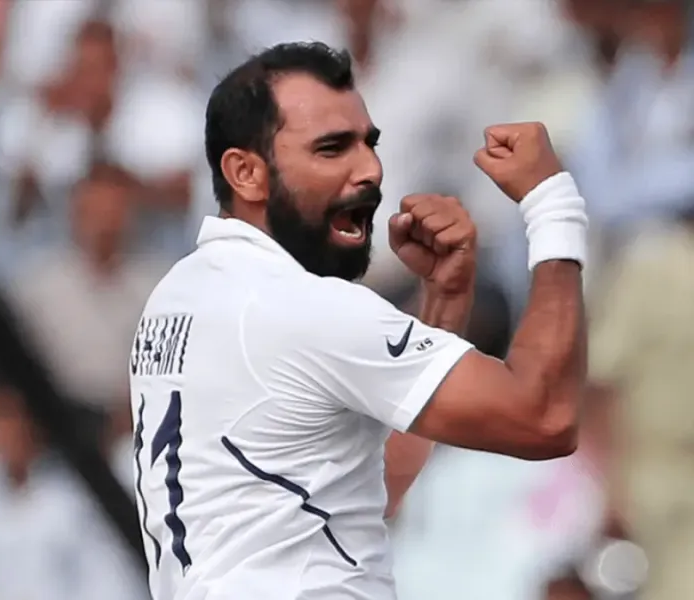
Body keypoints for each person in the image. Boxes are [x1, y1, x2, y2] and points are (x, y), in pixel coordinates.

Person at [128, 42, 588, 600]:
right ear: (245, 172)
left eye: (369, 143)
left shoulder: (178, 294)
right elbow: (544, 417)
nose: (370, 169)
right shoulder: (298, 307)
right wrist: (554, 204)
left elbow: (370, 485)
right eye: (331, 149)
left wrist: (443, 301)